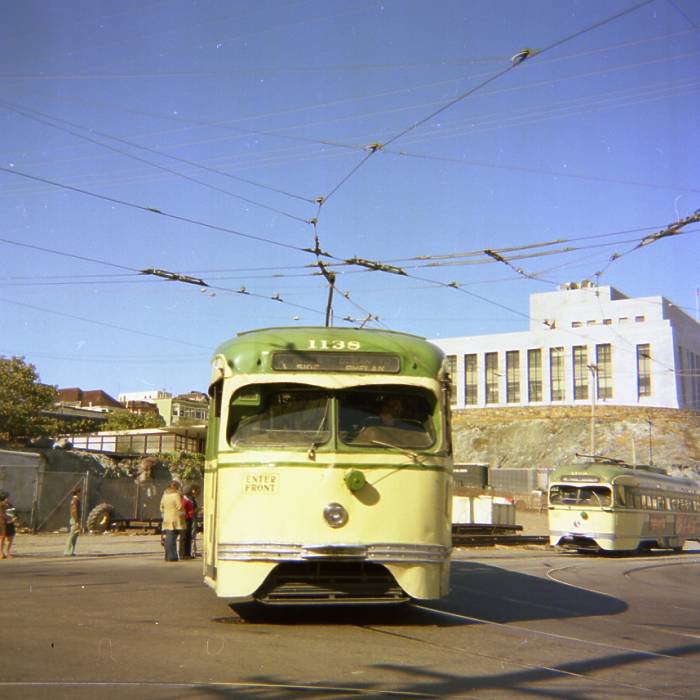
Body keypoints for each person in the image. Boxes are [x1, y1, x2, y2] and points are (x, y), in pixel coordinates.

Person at [160, 481, 185, 562]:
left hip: (166, 518)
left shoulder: (165, 495)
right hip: (175, 518)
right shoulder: (176, 495)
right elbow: (179, 506)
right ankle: (172, 556)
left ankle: (167, 556)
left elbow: (161, 507)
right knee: (172, 538)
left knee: (168, 537)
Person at [63, 487, 82, 556]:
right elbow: (74, 511)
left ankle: (71, 551)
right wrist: (76, 521)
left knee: (74, 535)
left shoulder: (74, 500)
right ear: (78, 493)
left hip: (74, 519)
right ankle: (68, 551)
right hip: (75, 519)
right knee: (72, 535)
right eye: (79, 492)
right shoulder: (75, 500)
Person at [179, 485, 195, 560]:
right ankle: (183, 554)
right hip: (185, 519)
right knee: (184, 536)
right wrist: (187, 515)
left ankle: (187, 553)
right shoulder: (184, 500)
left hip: (189, 518)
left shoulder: (188, 499)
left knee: (188, 537)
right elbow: (182, 509)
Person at [1, 493, 17, 559]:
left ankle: (8, 552)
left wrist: (13, 519)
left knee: (10, 539)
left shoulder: (10, 505)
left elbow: (13, 514)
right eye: (7, 497)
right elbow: (1, 514)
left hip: (10, 524)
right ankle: (1, 553)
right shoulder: (0, 505)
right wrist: (7, 518)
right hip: (2, 524)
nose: (9, 499)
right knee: (2, 539)